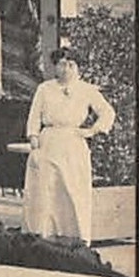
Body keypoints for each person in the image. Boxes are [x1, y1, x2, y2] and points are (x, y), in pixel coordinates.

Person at [22, 46, 116, 242]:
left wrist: (92, 130)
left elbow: (108, 112)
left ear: (78, 68)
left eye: (71, 65)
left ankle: (74, 237)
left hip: (73, 143)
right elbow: (34, 119)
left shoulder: (86, 90)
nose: (66, 69)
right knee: (45, 189)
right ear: (55, 67)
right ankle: (43, 236)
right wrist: (34, 142)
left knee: (73, 189)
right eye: (62, 64)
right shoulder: (44, 89)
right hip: (48, 142)